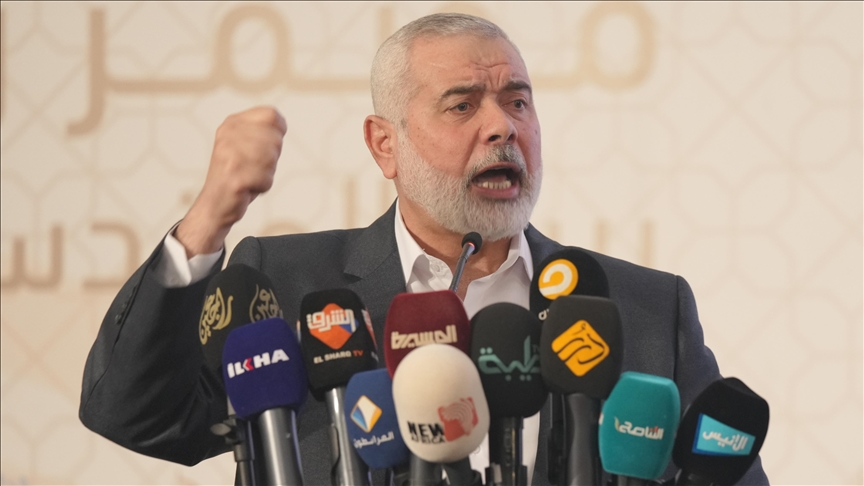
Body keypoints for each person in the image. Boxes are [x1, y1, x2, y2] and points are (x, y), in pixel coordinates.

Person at [79, 13, 769, 485]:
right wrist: (208, 220)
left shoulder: (644, 307)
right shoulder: (285, 283)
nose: (502, 127)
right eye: (463, 105)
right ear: (386, 145)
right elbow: (137, 416)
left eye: (518, 102)